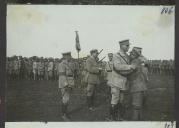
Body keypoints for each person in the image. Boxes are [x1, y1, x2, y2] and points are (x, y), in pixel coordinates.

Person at [107, 39, 135, 120]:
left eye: (128, 45)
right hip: (116, 80)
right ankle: (112, 117)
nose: (128, 47)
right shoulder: (116, 55)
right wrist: (129, 66)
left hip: (124, 81)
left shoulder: (127, 55)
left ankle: (119, 116)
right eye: (127, 45)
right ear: (121, 46)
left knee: (121, 100)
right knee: (115, 99)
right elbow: (117, 66)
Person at [128, 47, 148, 120]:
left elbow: (129, 71)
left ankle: (135, 122)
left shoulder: (135, 61)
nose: (130, 55)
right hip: (141, 85)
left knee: (136, 106)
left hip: (137, 86)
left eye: (132, 54)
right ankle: (140, 120)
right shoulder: (139, 61)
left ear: (135, 55)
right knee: (139, 105)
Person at [58, 52, 75, 121]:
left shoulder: (69, 63)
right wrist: (66, 85)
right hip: (65, 83)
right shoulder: (62, 64)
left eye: (70, 55)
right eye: (68, 55)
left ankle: (65, 113)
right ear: (65, 56)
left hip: (70, 82)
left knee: (67, 99)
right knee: (65, 99)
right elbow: (62, 75)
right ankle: (64, 115)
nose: (70, 56)